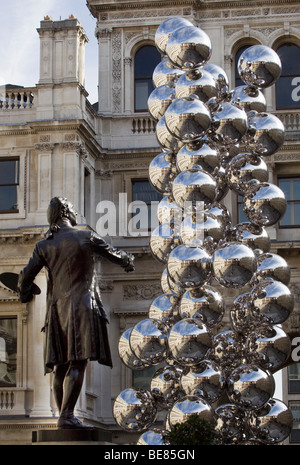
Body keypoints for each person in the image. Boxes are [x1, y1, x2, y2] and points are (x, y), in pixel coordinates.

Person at [18, 197, 134, 429]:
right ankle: (67, 415)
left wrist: (25, 292)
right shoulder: (86, 236)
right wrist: (129, 260)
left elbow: (24, 277)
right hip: (83, 305)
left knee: (60, 365)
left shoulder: (44, 245)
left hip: (57, 311)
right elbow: (115, 254)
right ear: (67, 212)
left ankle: (65, 415)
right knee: (78, 362)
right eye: (72, 209)